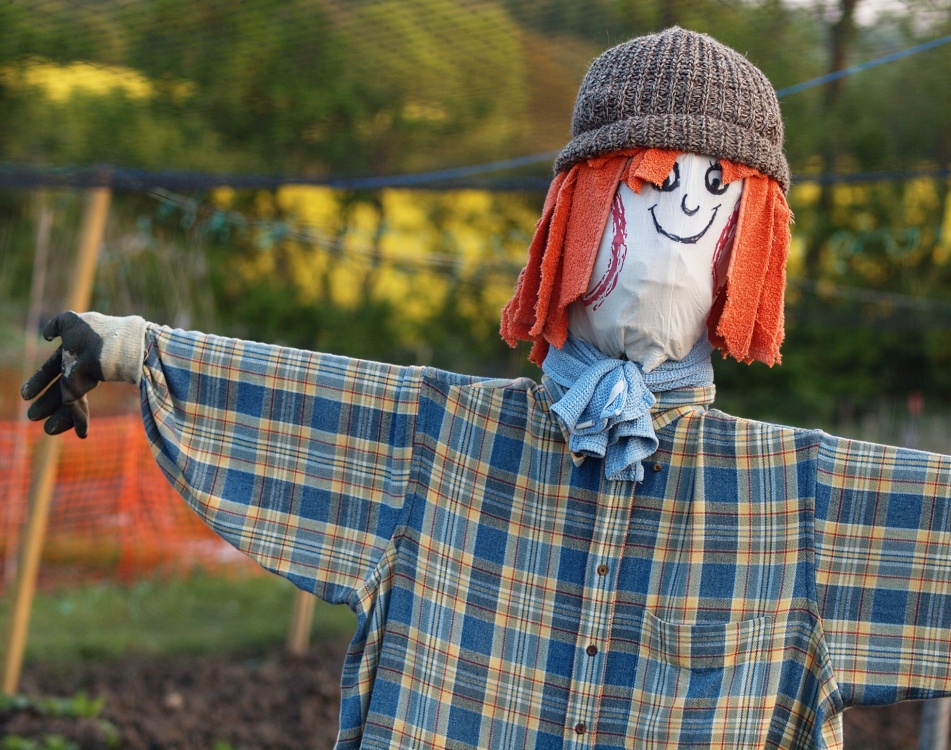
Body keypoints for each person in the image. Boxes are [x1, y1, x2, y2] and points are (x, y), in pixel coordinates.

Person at [20, 27, 951, 750]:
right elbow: (301, 399)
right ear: (573, 210)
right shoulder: (441, 440)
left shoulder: (798, 499)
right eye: (650, 182)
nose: (682, 213)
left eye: (716, 193)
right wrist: (134, 352)